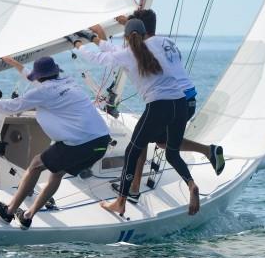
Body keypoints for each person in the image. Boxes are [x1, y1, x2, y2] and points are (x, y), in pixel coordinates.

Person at [72, 18, 201, 216]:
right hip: (180, 103)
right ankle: (191, 184)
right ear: (145, 34)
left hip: (160, 105)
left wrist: (78, 44)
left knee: (133, 151)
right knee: (172, 153)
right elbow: (114, 52)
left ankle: (121, 202)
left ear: (125, 36)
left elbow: (99, 59)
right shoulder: (155, 44)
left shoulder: (126, 54)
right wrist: (95, 38)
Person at [107, 10, 225, 202]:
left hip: (171, 99)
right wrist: (127, 23)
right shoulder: (166, 42)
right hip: (188, 99)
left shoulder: (145, 46)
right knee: (163, 142)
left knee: (141, 139)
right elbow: (140, 36)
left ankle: (134, 189)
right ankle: (208, 151)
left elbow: (136, 43)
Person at [0, 56, 111, 230]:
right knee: (57, 173)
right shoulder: (68, 81)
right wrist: (15, 64)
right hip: (102, 141)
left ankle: (8, 211)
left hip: (81, 143)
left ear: (39, 76)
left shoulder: (42, 92)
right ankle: (27, 216)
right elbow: (37, 81)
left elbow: (12, 106)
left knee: (36, 164)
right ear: (56, 72)